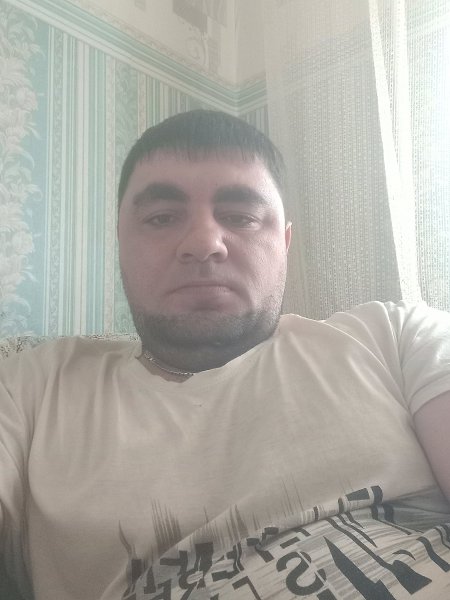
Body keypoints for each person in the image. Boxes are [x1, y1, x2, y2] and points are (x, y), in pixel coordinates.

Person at [1, 110, 450, 600]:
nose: (203, 244)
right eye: (161, 218)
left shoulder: (395, 338)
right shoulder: (31, 388)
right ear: (121, 243)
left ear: (284, 243)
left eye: (240, 217)